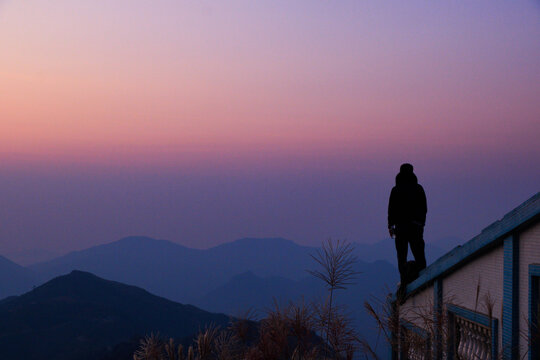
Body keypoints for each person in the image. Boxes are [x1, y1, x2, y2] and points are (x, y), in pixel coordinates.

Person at [388, 163, 427, 286]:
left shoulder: (396, 190)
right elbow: (424, 208)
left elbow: (391, 210)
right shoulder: (418, 189)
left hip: (401, 228)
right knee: (419, 254)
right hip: (415, 227)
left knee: (401, 256)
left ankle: (404, 282)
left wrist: (391, 226)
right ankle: (423, 280)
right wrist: (420, 223)